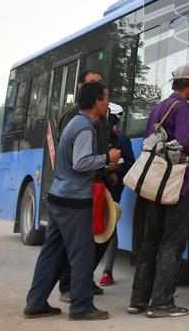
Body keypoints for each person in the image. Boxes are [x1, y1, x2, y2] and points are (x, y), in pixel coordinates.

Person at [24, 80, 121, 321]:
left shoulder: (76, 123)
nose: (108, 103)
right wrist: (107, 157)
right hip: (74, 200)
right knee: (82, 254)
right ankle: (81, 307)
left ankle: (35, 303)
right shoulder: (85, 128)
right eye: (106, 99)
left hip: (60, 197)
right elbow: (81, 162)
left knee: (51, 253)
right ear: (97, 102)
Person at [128, 64, 189, 318]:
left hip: (155, 184)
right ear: (188, 84)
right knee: (172, 243)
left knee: (150, 240)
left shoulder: (158, 108)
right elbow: (185, 141)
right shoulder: (183, 108)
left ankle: (138, 300)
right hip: (178, 185)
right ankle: (162, 303)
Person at [57, 70, 111, 301]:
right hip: (78, 188)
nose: (100, 88)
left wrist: (110, 166)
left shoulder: (101, 120)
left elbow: (105, 143)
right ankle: (73, 292)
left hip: (98, 181)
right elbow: (78, 160)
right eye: (94, 85)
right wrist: (106, 160)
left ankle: (81, 281)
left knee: (100, 235)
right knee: (80, 244)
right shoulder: (76, 120)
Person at [97, 102, 135, 287]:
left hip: (112, 190)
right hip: (96, 186)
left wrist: (115, 171)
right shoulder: (94, 135)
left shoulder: (121, 139)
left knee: (110, 227)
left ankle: (107, 271)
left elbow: (129, 164)